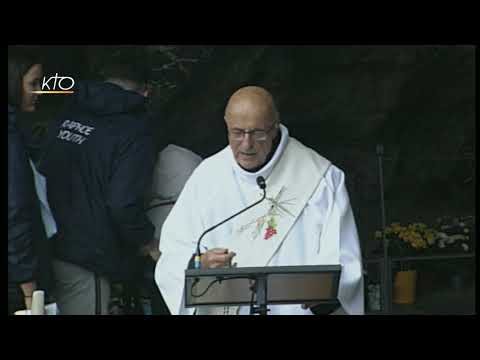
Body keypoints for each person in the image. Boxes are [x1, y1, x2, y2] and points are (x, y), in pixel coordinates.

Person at [155, 86, 364, 315]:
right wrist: (200, 264)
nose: (247, 144)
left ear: (274, 127)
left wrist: (319, 293)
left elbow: (343, 260)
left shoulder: (320, 178)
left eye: (257, 133)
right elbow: (173, 254)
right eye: (237, 132)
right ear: (226, 125)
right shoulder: (207, 177)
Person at [40, 51, 158, 315]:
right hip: (86, 257)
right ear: (147, 91)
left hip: (46, 244)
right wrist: (148, 242)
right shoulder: (134, 131)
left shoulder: (70, 109)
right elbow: (122, 203)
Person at [8, 47, 55, 314]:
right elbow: (14, 209)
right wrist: (29, 287)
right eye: (33, 83)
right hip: (17, 278)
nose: (39, 91)